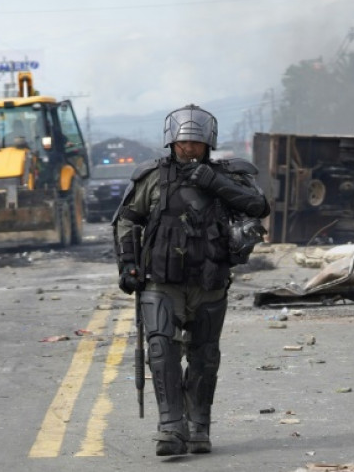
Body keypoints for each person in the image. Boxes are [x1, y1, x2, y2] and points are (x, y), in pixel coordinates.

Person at [112, 104, 270, 456]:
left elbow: (259, 208)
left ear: (208, 144)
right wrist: (127, 263)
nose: (189, 148)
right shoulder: (153, 176)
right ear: (172, 142)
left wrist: (217, 184)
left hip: (210, 281)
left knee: (205, 355)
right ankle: (170, 428)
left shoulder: (227, 176)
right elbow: (126, 219)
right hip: (161, 281)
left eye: (196, 143)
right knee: (162, 349)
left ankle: (199, 427)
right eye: (183, 142)